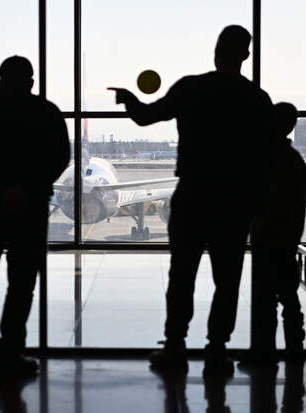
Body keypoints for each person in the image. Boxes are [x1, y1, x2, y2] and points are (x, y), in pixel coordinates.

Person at [109, 25, 273, 376]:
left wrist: (128, 99)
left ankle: (175, 347)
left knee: (181, 275)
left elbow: (145, 116)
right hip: (233, 202)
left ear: (215, 52)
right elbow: (264, 159)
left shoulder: (191, 87)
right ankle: (217, 351)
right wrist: (258, 207)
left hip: (193, 196)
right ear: (246, 55)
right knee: (227, 281)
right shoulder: (257, 99)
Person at [0, 56, 70, 377]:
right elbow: (60, 157)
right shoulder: (47, 113)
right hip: (31, 208)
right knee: (22, 283)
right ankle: (10, 352)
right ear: (32, 82)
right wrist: (27, 188)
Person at [246, 102, 306, 364]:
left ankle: (264, 352)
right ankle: (295, 349)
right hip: (287, 238)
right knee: (289, 298)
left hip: (267, 238)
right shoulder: (294, 160)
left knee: (266, 300)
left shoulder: (265, 158)